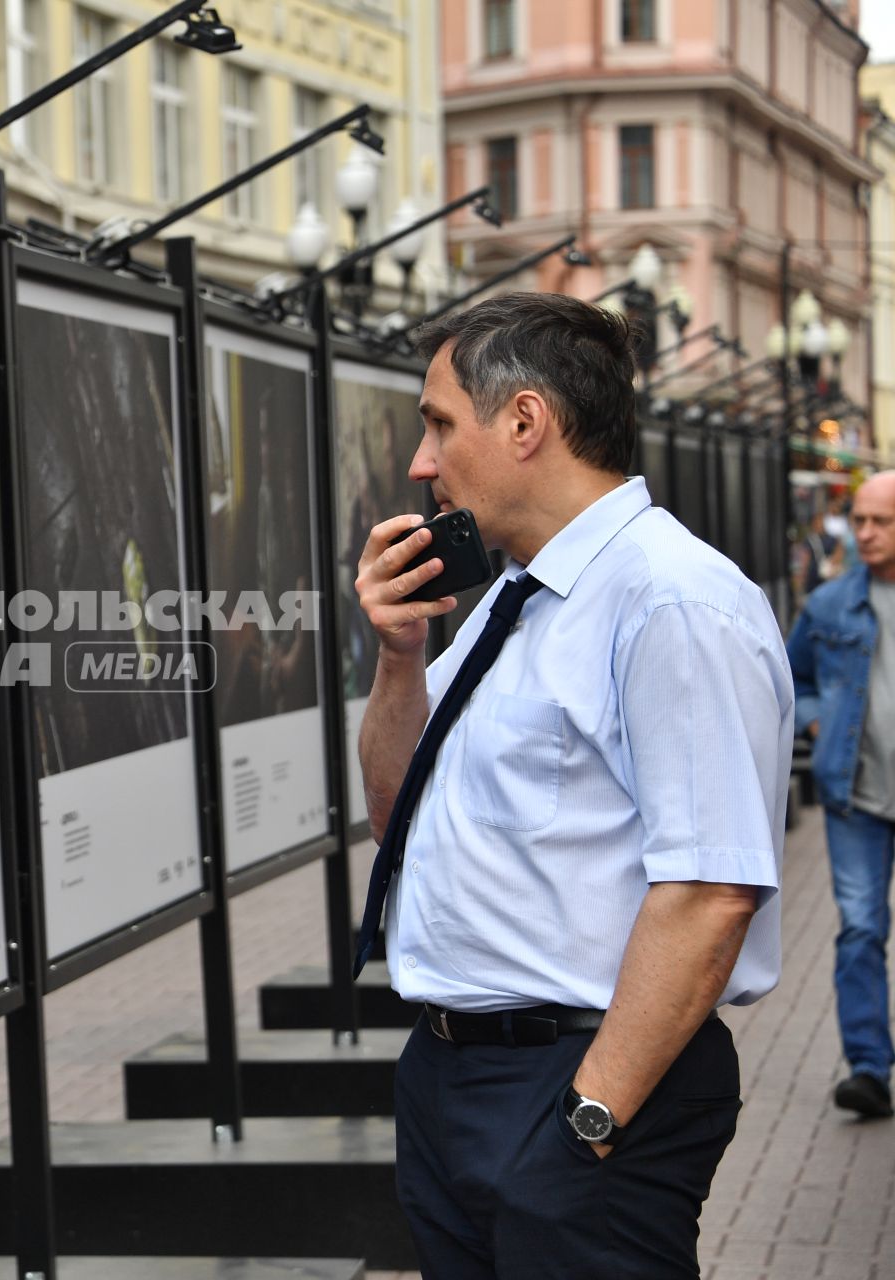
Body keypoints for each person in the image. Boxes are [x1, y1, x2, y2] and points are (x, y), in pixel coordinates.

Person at [353, 292, 792, 1277]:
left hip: (577, 1086)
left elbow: (714, 889)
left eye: (438, 424)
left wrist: (590, 1117)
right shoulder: (513, 594)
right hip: (456, 1078)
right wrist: (396, 654)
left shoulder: (670, 598)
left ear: (523, 423)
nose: (422, 464)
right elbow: (397, 818)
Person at [786, 471, 895, 1120]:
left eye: (880, 522)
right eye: (858, 520)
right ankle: (869, 1069)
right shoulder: (828, 606)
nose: (864, 533)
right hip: (856, 798)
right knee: (860, 930)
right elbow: (789, 679)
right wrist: (817, 716)